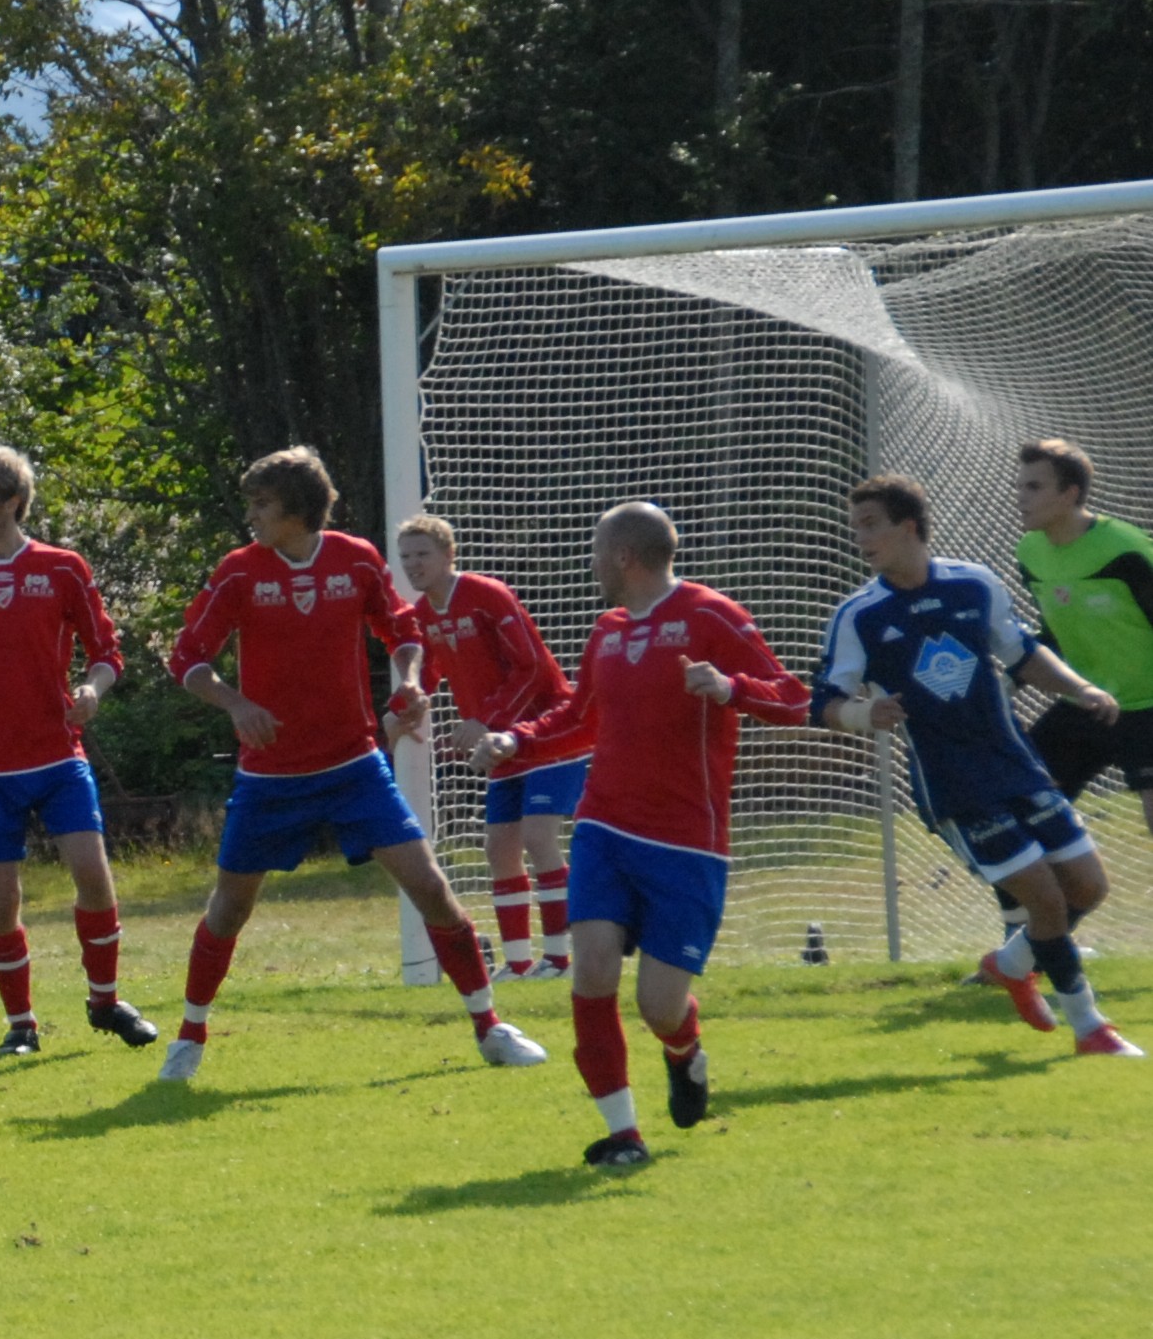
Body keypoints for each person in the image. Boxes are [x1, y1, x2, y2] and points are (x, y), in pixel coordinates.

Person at [164, 447, 547, 1082]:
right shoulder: (239, 572)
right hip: (271, 776)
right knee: (230, 908)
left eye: (262, 504)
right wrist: (235, 703)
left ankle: (490, 1024)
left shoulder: (357, 558)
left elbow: (401, 632)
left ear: (297, 511)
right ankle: (189, 1037)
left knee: (429, 888)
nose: (251, 515)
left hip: (353, 765)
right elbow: (187, 660)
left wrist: (412, 680)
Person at [472, 503, 811, 1170]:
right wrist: (518, 738)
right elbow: (579, 718)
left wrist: (727, 686)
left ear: (624, 556)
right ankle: (622, 1134)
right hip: (604, 828)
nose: (590, 563)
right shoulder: (606, 631)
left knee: (658, 1006)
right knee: (591, 969)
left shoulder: (709, 615)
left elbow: (793, 698)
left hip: (686, 843)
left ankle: (683, 1051)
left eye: (596, 550)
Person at [817, 476, 1137, 1056]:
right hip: (954, 785)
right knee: (1043, 901)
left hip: (1016, 764)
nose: (858, 536)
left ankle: (1011, 964)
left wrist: (1079, 688)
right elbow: (825, 701)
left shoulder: (974, 583)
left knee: (1087, 887)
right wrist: (865, 712)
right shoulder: (859, 615)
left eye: (869, 524)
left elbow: (1021, 652)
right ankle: (1092, 1029)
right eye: (854, 525)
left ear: (908, 526)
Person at [0, 445, 158, 1056]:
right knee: (2, 896)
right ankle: (21, 1026)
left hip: (56, 753)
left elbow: (107, 652)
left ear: (11, 503)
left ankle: (105, 1001)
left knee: (93, 879)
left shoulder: (63, 568)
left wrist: (92, 691)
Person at [391, 515, 590, 979]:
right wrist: (410, 706)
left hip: (548, 731)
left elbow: (532, 670)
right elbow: (429, 672)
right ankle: (519, 963)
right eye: (405, 557)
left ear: (448, 555)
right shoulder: (422, 615)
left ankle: (560, 959)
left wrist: (485, 720)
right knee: (498, 847)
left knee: (539, 838)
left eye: (422, 554)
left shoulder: (487, 595)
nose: (413, 564)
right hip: (500, 745)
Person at [986, 438, 1153, 959]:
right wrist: (1013, 678)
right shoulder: (1029, 552)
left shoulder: (1124, 548)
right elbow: (1053, 633)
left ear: (1071, 494)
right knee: (1011, 813)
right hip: (1085, 706)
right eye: (1018, 485)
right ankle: (1026, 950)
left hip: (1148, 708)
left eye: (1034, 487)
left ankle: (1031, 954)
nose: (1020, 497)